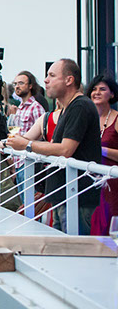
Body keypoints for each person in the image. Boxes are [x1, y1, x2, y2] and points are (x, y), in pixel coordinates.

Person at [7, 59, 101, 234]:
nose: (45, 80)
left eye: (51, 75)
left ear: (69, 80)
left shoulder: (79, 106)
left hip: (76, 197)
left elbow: (65, 149)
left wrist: (27, 145)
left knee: (72, 253)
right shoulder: (69, 108)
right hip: (64, 195)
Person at [85, 74, 118, 236]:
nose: (96, 92)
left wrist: (101, 150)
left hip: (112, 184)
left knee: (110, 229)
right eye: (94, 89)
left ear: (111, 94)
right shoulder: (86, 119)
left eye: (102, 89)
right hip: (90, 183)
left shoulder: (116, 119)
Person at [10, 71, 47, 202]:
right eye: (15, 84)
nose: (17, 87)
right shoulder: (19, 108)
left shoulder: (36, 107)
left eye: (21, 83)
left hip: (30, 162)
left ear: (30, 86)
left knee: (32, 204)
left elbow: (43, 136)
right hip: (18, 161)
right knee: (24, 204)